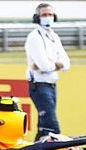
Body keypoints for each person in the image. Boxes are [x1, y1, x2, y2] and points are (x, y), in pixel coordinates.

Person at [25, 2, 70, 138]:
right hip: (39, 86)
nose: (48, 17)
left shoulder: (54, 36)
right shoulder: (34, 37)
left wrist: (53, 65)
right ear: (37, 18)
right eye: (44, 15)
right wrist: (56, 65)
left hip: (51, 85)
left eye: (50, 14)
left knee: (44, 127)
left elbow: (67, 63)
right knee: (52, 126)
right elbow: (45, 65)